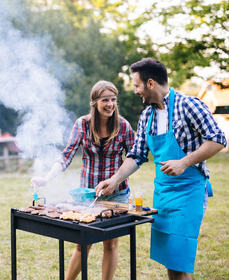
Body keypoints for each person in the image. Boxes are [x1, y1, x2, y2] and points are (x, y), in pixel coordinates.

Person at [95, 58, 227, 280]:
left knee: (179, 260)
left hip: (189, 192)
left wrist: (185, 162)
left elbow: (218, 139)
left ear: (150, 83)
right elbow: (136, 155)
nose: (136, 91)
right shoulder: (148, 115)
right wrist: (115, 180)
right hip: (163, 195)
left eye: (136, 85)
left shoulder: (189, 105)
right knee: (171, 262)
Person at [31, 80, 135, 280]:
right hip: (87, 195)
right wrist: (46, 179)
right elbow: (67, 155)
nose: (110, 104)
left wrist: (114, 180)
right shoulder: (82, 124)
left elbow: (134, 157)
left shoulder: (123, 125)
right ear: (95, 102)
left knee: (111, 243)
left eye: (113, 100)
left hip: (117, 194)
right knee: (83, 243)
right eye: (105, 100)